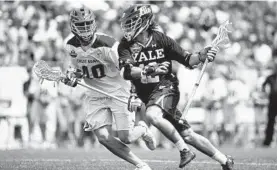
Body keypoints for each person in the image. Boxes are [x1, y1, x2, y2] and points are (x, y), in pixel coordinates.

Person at [118, 4, 234, 170]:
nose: (127, 27)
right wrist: (148, 69)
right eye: (127, 23)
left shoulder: (161, 39)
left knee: (151, 115)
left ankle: (184, 151)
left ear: (143, 22)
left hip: (166, 88)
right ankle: (225, 160)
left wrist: (202, 55)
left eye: (131, 22)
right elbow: (126, 72)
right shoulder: (125, 45)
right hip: (149, 96)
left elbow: (188, 60)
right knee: (188, 134)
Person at [63, 7, 156, 170]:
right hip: (95, 94)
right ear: (73, 26)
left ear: (93, 24)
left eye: (87, 24)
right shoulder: (70, 46)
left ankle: (142, 129)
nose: (85, 29)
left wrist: (134, 94)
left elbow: (129, 69)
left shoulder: (109, 45)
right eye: (81, 24)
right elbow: (78, 70)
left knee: (126, 137)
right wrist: (72, 78)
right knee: (103, 137)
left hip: (119, 91)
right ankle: (141, 165)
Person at [262, 61, 277, 147]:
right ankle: (268, 141)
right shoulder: (270, 77)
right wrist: (265, 93)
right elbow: (263, 86)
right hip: (272, 102)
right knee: (270, 122)